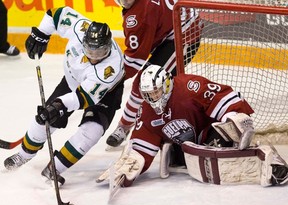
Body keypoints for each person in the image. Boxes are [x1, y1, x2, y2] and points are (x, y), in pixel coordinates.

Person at [97, 64, 288, 187]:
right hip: (185, 152)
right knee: (204, 165)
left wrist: (233, 116)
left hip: (210, 135)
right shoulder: (146, 110)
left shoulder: (189, 86)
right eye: (148, 95)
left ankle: (268, 163)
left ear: (167, 84)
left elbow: (222, 96)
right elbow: (143, 141)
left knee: (221, 146)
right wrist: (133, 162)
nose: (153, 98)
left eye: (156, 92)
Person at [4, 6, 125, 185]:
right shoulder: (80, 28)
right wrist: (40, 34)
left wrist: (59, 106)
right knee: (44, 118)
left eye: (99, 53)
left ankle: (55, 168)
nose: (93, 56)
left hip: (105, 94)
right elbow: (56, 14)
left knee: (91, 131)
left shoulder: (110, 68)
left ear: (107, 48)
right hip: (72, 81)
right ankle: (23, 155)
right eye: (89, 50)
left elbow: (83, 99)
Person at [106, 0, 203, 147]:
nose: (124, 2)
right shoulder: (142, 10)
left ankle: (125, 127)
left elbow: (135, 60)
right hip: (174, 26)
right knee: (160, 84)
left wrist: (114, 81)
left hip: (184, 36)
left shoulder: (142, 13)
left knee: (146, 82)